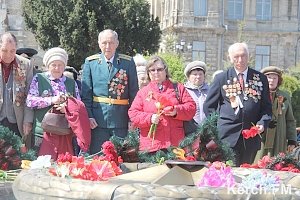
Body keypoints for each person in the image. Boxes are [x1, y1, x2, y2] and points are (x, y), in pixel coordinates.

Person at [203, 42, 272, 166]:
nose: (240, 60)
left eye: (243, 56)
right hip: (226, 136)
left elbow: (267, 107)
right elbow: (209, 107)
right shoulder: (221, 78)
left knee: (245, 172)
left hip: (250, 137)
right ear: (230, 58)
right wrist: (216, 128)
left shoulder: (260, 78)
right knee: (228, 172)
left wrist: (262, 123)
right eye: (236, 57)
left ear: (249, 56)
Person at [81, 29, 139, 154]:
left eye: (111, 43)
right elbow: (86, 95)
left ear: (117, 43)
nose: (108, 46)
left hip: (121, 121)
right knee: (97, 158)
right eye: (104, 43)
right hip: (97, 121)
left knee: (120, 158)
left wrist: (132, 119)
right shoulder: (91, 63)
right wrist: (89, 116)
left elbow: (134, 94)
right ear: (99, 43)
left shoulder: (127, 63)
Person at [128, 55, 196, 153]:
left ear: (165, 70)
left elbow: (191, 107)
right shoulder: (143, 92)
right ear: (148, 72)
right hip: (151, 147)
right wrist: (149, 118)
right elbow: (133, 114)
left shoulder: (177, 88)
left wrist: (176, 111)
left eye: (159, 69)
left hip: (175, 145)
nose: (156, 73)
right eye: (152, 70)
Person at [26, 47, 81, 159]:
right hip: (42, 133)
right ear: (47, 65)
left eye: (60, 65)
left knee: (64, 168)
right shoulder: (39, 78)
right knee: (41, 167)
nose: (57, 68)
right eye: (53, 65)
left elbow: (78, 106)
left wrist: (66, 107)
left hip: (64, 133)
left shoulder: (71, 83)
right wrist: (51, 100)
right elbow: (30, 101)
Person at [255, 66, 297, 159]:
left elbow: (290, 120)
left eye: (275, 78)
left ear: (279, 80)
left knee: (277, 164)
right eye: (269, 77)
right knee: (258, 164)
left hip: (279, 137)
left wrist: (291, 140)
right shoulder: (256, 94)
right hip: (261, 137)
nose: (272, 80)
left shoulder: (284, 96)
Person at [0, 32, 34, 147]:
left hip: (17, 121)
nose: (8, 55)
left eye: (12, 51)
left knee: (17, 159)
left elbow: (30, 94)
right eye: (4, 50)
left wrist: (28, 119)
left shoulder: (26, 64)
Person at [184, 61, 209, 125]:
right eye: (195, 74)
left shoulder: (210, 90)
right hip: (189, 131)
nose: (198, 77)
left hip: (208, 130)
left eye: (200, 74)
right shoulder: (184, 91)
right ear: (188, 76)